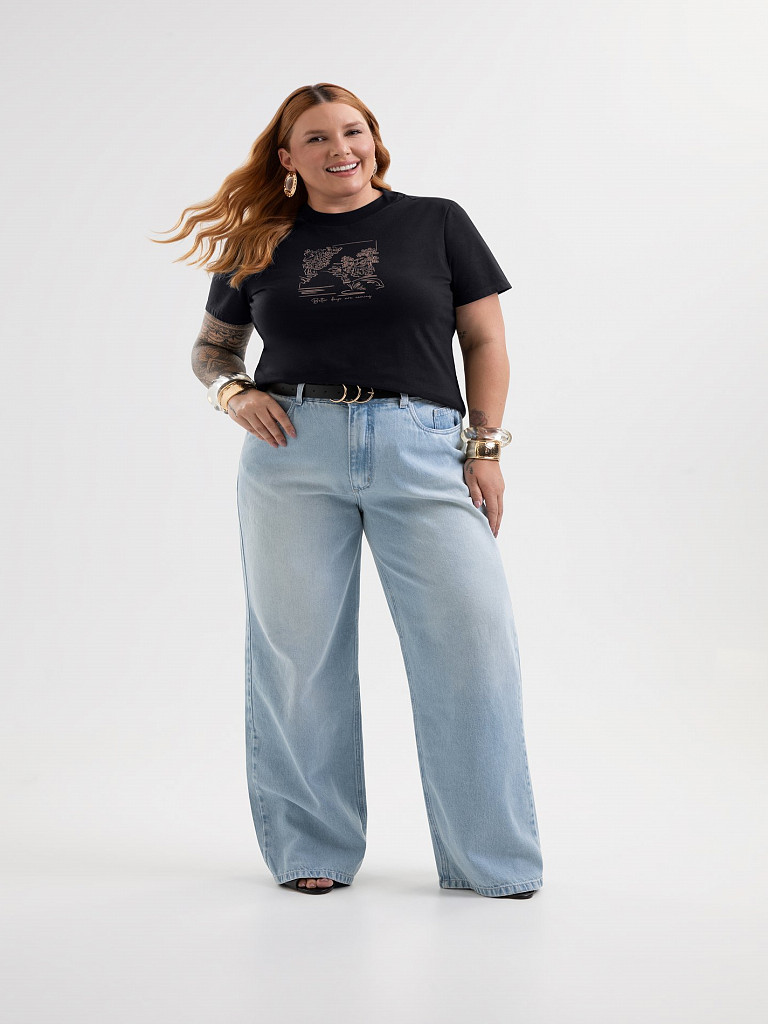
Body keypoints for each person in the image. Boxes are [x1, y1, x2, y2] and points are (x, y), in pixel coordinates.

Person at [156, 82, 543, 898]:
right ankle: (312, 849)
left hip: (423, 447)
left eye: (354, 131)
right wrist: (233, 393)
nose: (342, 148)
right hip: (291, 451)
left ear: (374, 140)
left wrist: (485, 446)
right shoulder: (260, 240)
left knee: (471, 647)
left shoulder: (437, 222)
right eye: (318, 137)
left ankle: (491, 860)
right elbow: (211, 350)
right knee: (298, 656)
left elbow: (484, 339)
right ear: (288, 157)